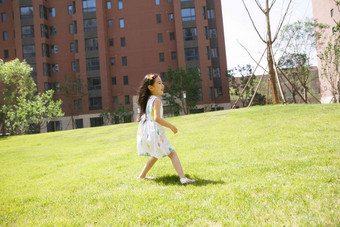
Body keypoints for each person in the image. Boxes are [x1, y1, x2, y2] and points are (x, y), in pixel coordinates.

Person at [136, 73, 195, 184]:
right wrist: (171, 126)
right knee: (172, 154)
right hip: (156, 133)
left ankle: (141, 176)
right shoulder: (156, 100)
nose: (162, 85)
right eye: (159, 83)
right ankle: (183, 178)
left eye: (162, 82)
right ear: (151, 87)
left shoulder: (148, 100)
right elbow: (157, 118)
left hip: (149, 132)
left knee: (155, 155)